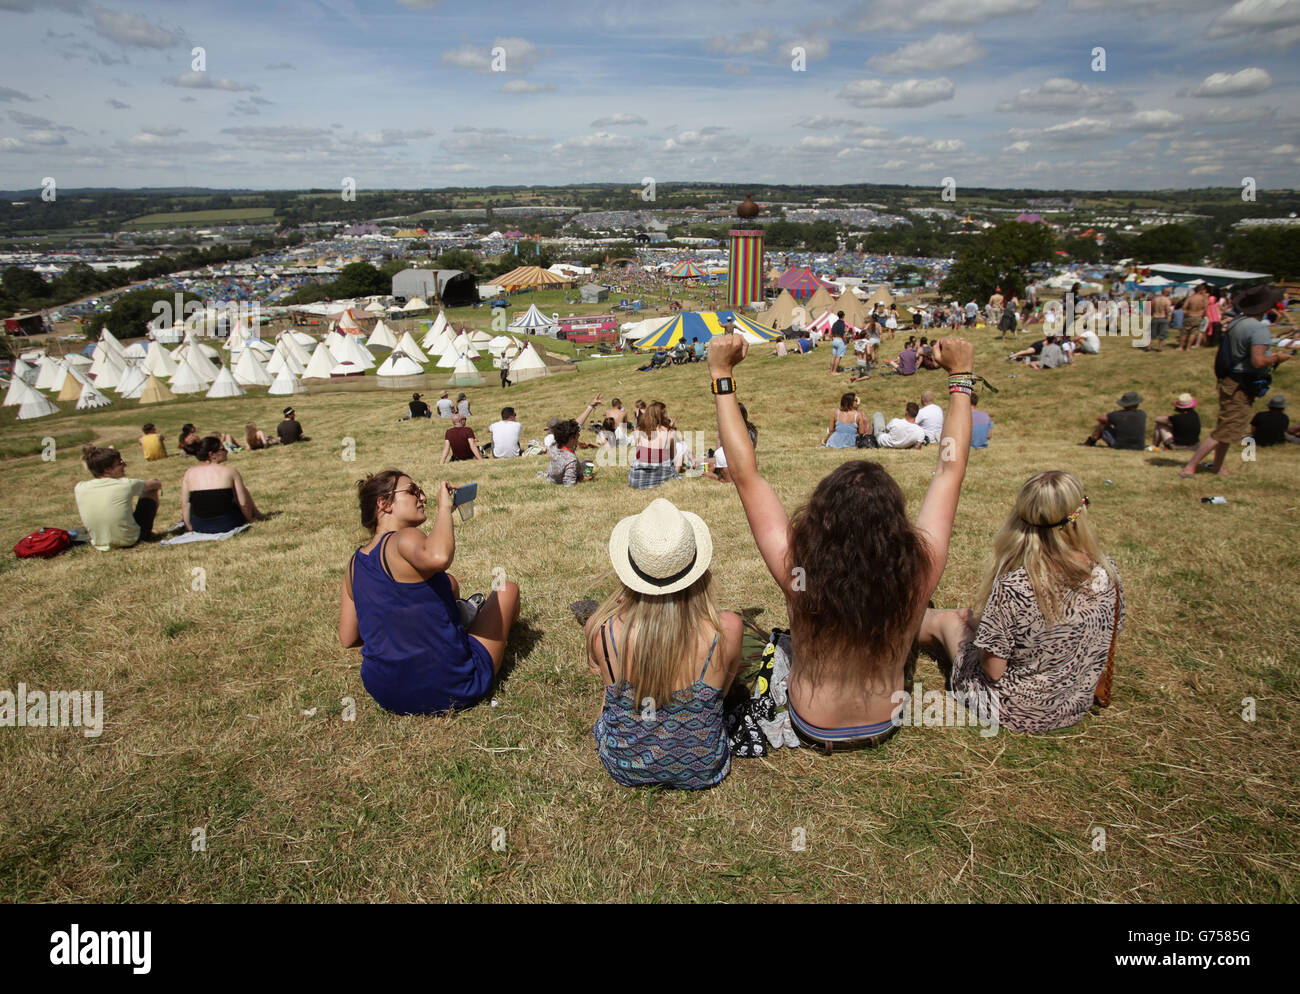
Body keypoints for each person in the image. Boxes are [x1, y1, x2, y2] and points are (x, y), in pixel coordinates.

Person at [708, 332, 974, 749]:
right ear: (895, 523)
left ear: (820, 517)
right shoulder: (918, 569)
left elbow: (746, 475)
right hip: (883, 723)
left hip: (811, 722)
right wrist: (960, 375)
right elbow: (950, 471)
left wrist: (721, 374)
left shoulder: (798, 570)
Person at [928, 471, 1124, 734]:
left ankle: (889, 626)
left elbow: (993, 670)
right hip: (1074, 701)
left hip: (1015, 709)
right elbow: (1110, 630)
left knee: (949, 620)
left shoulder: (1016, 586)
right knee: (969, 620)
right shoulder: (1107, 570)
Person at [586, 498, 742, 788]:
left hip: (623, 766)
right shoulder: (728, 628)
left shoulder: (602, 631)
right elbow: (721, 696)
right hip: (704, 767)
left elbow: (610, 700)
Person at [338, 471, 521, 715]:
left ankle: (459, 618)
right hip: (452, 686)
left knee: (448, 583)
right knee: (507, 590)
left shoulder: (353, 565)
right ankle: (467, 626)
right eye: (413, 490)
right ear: (384, 504)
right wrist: (444, 509)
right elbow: (439, 557)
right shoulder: (404, 538)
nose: (423, 497)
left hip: (386, 693)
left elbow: (348, 637)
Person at [1181, 285, 1292, 477]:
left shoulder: (1237, 322)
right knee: (1225, 429)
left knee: (1229, 428)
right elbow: (1258, 361)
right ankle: (1190, 467)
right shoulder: (1258, 328)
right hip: (1241, 383)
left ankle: (1217, 466)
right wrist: (1277, 358)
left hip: (1231, 379)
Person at [74, 445, 162, 551]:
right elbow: (155, 484)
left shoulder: (79, 487)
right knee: (150, 491)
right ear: (107, 469)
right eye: (120, 463)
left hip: (99, 544)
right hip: (130, 540)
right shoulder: (125, 484)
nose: (125, 465)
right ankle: (146, 532)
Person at [181, 436, 264, 533]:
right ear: (212, 454)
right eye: (223, 448)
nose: (227, 451)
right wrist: (250, 519)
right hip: (227, 523)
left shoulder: (189, 473)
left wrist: (189, 527)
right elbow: (243, 503)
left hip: (200, 525)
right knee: (241, 489)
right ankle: (257, 514)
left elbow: (185, 504)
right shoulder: (230, 471)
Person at [628, 400, 683, 489]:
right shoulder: (669, 432)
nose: (667, 416)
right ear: (661, 416)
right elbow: (672, 456)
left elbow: (638, 451)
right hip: (662, 475)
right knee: (681, 447)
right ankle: (675, 473)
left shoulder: (638, 430)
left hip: (636, 479)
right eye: (665, 413)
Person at [1081, 391, 1146, 449]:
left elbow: (1100, 418)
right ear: (1137, 404)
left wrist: (1110, 422)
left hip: (1119, 445)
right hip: (1139, 446)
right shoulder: (1142, 414)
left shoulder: (1117, 415)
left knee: (1102, 425)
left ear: (1123, 405)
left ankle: (1091, 441)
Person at [859, 401, 927, 449]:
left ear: (906, 412)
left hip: (882, 442)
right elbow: (917, 447)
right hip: (902, 445)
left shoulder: (896, 421)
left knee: (878, 415)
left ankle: (868, 439)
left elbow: (886, 431)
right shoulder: (920, 431)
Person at [545, 420, 587, 486]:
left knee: (586, 461)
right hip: (560, 480)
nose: (579, 435)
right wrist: (583, 479)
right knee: (587, 464)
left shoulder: (553, 447)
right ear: (570, 438)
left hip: (550, 478)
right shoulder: (571, 459)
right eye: (577, 434)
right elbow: (569, 483)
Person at [1181, 283, 1209, 351]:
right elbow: (1205, 309)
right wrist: (1202, 315)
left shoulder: (1190, 298)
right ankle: (1188, 347)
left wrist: (1187, 313)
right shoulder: (1203, 299)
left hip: (1189, 316)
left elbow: (1184, 308)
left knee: (1185, 332)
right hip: (1198, 316)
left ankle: (1180, 347)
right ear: (1201, 290)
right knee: (1193, 332)